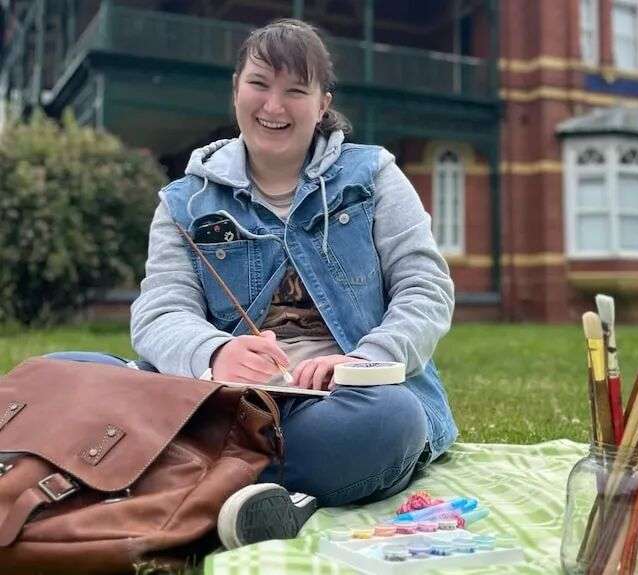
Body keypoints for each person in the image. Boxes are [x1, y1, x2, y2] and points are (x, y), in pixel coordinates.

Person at [46, 18, 458, 549]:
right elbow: (159, 311)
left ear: (322, 102)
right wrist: (214, 353)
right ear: (236, 87)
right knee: (61, 372)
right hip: (218, 403)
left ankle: (158, 484)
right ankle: (253, 495)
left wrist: (365, 362)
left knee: (393, 422)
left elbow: (426, 288)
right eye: (260, 84)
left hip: (335, 405)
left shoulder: (374, 177)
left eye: (295, 91)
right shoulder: (183, 201)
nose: (274, 106)